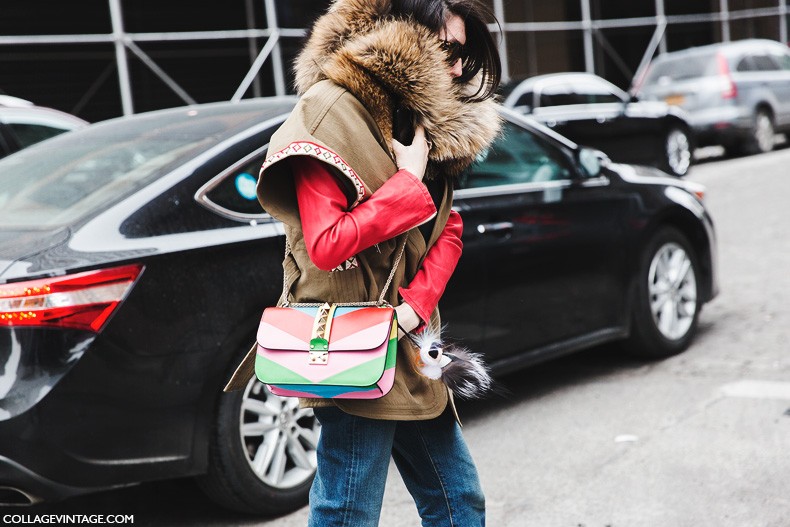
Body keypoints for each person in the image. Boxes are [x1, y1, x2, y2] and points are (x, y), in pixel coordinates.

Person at [255, 0, 502, 524]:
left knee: (459, 498)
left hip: (409, 341)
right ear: (406, 36)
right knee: (349, 508)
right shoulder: (329, 112)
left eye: (466, 56)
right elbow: (326, 243)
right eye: (449, 50)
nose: (459, 69)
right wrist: (407, 184)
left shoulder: (419, 119)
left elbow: (448, 227)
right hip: (351, 342)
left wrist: (415, 307)